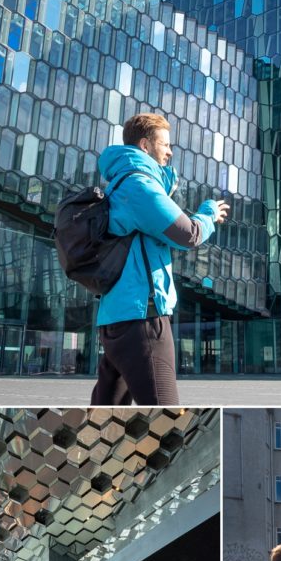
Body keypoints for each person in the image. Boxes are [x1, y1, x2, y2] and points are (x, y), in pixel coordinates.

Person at [91, 113, 229, 406]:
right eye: (164, 144)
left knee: (106, 410)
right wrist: (208, 213)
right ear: (144, 145)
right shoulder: (138, 186)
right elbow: (187, 234)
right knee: (165, 411)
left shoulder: (121, 183)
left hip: (120, 316)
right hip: (143, 319)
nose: (170, 151)